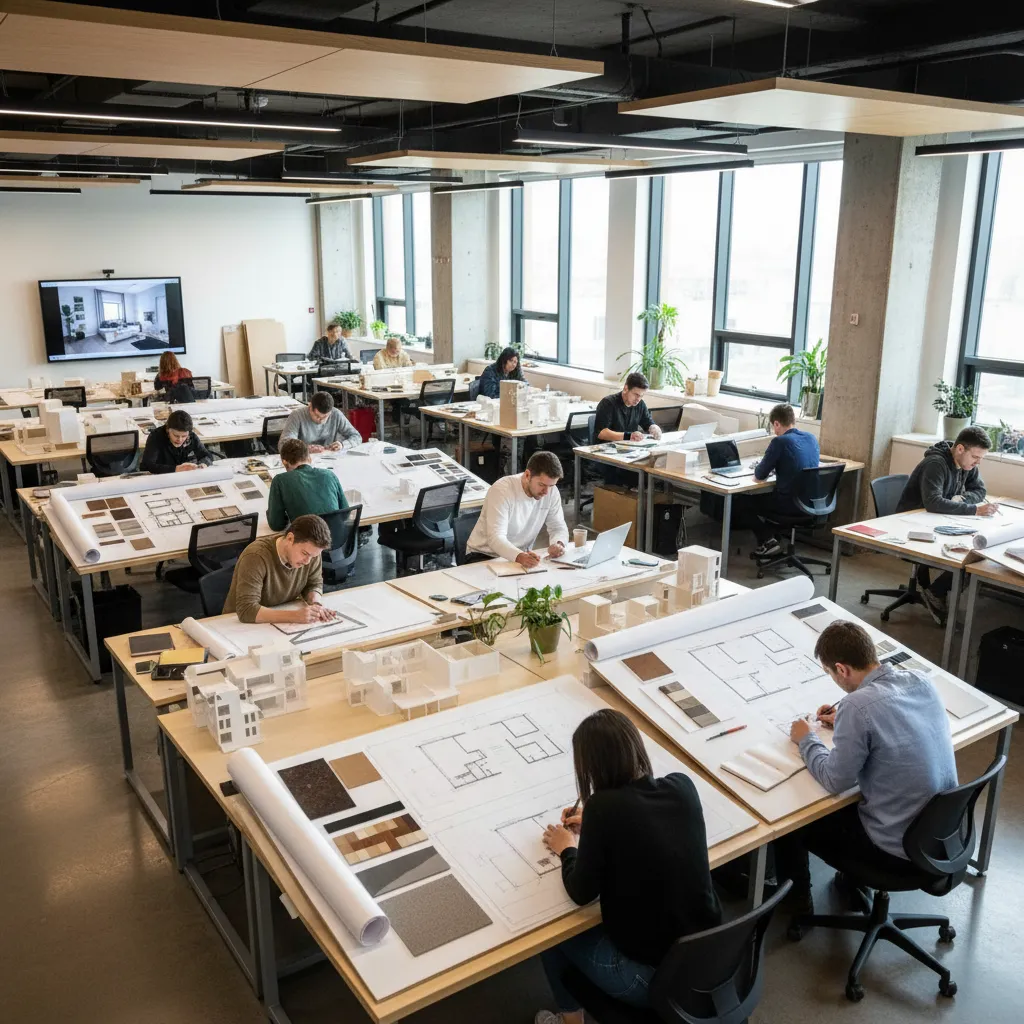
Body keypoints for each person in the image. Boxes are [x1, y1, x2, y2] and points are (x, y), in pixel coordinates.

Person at [535, 709, 722, 1024]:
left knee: (552, 936)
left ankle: (570, 1022)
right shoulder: (681, 785)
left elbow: (581, 892)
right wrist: (595, 828)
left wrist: (567, 847)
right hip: (709, 959)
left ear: (591, 767)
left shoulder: (603, 809)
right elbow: (643, 826)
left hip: (650, 978)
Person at [773, 620, 957, 914]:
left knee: (790, 821)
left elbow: (835, 780)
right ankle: (850, 882)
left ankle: (796, 905)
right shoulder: (920, 681)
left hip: (895, 852)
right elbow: (895, 725)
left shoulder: (857, 707)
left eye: (831, 673)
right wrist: (846, 724)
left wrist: (806, 739)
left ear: (842, 669)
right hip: (940, 837)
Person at [894, 426, 998, 621]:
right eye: (975, 457)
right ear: (960, 449)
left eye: (981, 459)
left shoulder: (967, 466)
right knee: (971, 554)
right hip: (911, 525)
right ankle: (935, 592)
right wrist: (974, 509)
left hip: (939, 520)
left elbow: (980, 491)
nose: (977, 462)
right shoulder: (936, 463)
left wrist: (959, 500)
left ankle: (934, 591)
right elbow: (933, 502)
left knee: (980, 550)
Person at [737, 403, 820, 560]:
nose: (774, 432)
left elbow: (760, 475)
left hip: (789, 505)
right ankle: (772, 538)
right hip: (812, 503)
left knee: (741, 500)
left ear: (776, 423)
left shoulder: (780, 442)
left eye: (774, 427)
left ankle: (768, 540)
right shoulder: (811, 438)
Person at [224, 514, 335, 624]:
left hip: (278, 615)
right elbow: (247, 610)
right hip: (236, 624)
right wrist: (295, 616)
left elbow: (314, 583)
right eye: (304, 553)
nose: (307, 561)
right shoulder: (256, 556)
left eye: (313, 556)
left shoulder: (311, 552)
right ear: (290, 538)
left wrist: (316, 605)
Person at [466, 450, 569, 566]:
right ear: (527, 475)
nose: (546, 492)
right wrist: (519, 556)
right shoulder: (502, 490)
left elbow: (558, 526)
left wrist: (559, 543)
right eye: (542, 485)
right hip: (484, 555)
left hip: (521, 555)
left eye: (552, 486)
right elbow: (495, 538)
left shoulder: (551, 492)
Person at [593, 373, 661, 487]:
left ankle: (643, 501)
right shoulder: (608, 403)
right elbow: (601, 433)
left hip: (629, 451)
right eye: (636, 394)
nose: (638, 399)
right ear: (625, 388)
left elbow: (647, 422)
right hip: (607, 453)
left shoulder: (640, 404)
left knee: (653, 471)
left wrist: (654, 427)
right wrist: (628, 436)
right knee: (637, 475)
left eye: (641, 396)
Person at [267, 438, 349, 532]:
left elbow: (276, 525)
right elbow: (345, 513)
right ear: (309, 458)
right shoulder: (329, 475)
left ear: (284, 462)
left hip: (306, 542)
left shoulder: (279, 480)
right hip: (336, 539)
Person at [279, 391, 361, 453]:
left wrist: (342, 444)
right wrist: (304, 449)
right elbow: (283, 445)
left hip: (329, 459)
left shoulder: (336, 414)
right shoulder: (297, 415)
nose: (321, 420)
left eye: (325, 417)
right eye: (317, 416)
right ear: (310, 406)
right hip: (304, 459)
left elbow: (356, 436)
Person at [140, 409, 214, 474]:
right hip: (162, 477)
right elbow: (147, 466)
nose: (180, 439)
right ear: (168, 429)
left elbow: (207, 456)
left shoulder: (191, 436)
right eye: (176, 436)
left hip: (185, 476)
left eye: (184, 436)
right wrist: (176, 469)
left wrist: (203, 464)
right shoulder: (156, 436)